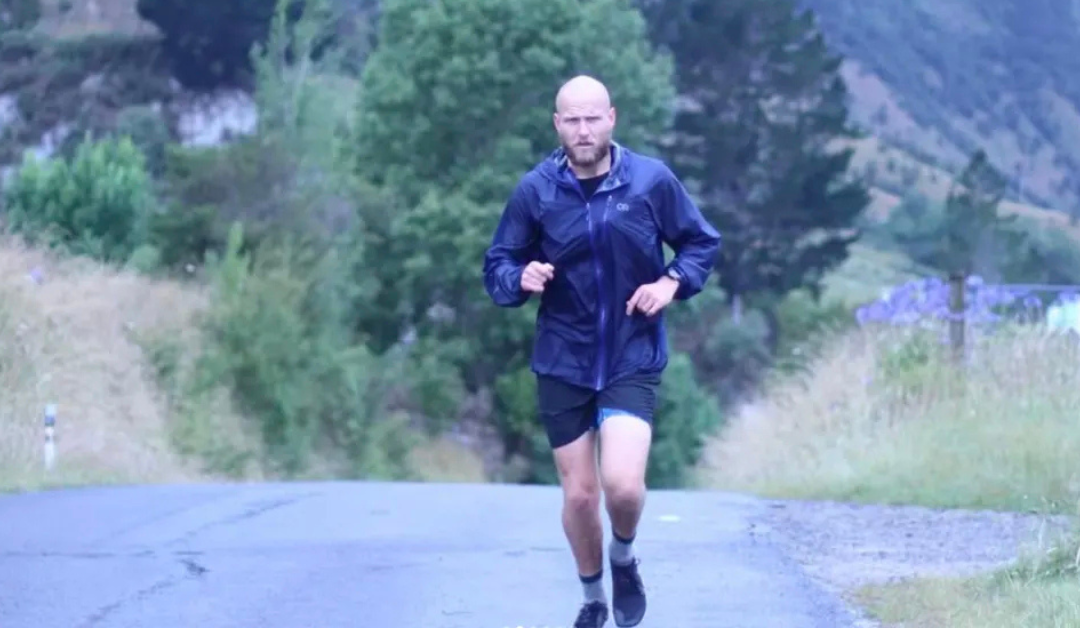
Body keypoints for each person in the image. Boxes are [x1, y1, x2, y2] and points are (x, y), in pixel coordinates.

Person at [482, 75, 721, 628]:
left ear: (612, 118)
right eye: (572, 119)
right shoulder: (535, 191)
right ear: (557, 125)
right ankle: (593, 599)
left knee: (623, 485)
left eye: (593, 118)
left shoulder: (650, 182)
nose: (584, 129)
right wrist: (521, 276)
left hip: (631, 350)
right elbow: (497, 266)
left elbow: (701, 241)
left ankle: (624, 556)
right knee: (582, 496)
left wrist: (669, 284)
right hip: (562, 357)